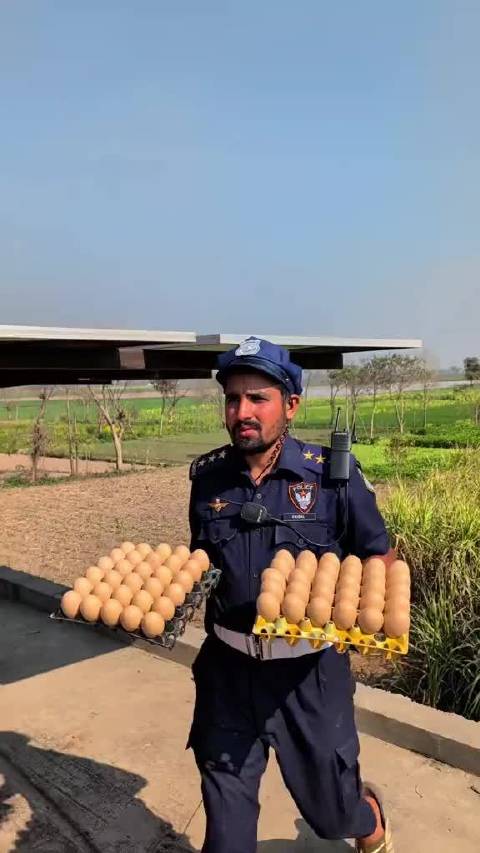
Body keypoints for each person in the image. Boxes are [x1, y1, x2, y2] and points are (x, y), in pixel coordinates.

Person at [188, 337, 395, 853]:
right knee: (226, 838)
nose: (243, 412)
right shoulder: (207, 480)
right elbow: (199, 563)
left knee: (332, 813)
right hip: (228, 674)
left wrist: (367, 607)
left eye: (258, 398)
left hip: (307, 676)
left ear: (291, 405)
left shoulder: (330, 476)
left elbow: (379, 555)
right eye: (233, 399)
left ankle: (367, 819)